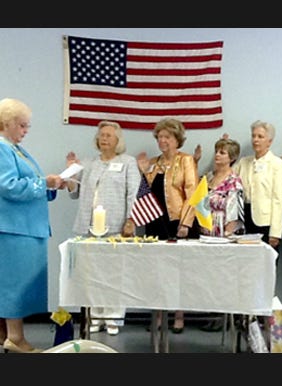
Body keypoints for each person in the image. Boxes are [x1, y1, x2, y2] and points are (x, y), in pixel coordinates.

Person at [0, 97, 64, 353]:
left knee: (17, 283)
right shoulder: (2, 149)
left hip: (26, 227)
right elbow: (9, 186)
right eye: (22, 125)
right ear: (7, 123)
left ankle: (6, 334)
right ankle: (16, 338)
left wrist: (53, 185)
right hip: (15, 228)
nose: (26, 131)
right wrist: (44, 183)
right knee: (16, 284)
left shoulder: (16, 150)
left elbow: (32, 183)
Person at [65, 120, 140, 336]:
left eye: (108, 135)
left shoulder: (127, 162)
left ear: (118, 140)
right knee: (91, 274)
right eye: (101, 135)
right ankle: (95, 316)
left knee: (114, 274)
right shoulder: (89, 164)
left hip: (116, 227)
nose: (104, 138)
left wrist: (130, 220)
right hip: (88, 228)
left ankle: (113, 317)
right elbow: (73, 192)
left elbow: (133, 193)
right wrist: (70, 173)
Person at [136, 117, 199, 334]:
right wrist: (143, 170)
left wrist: (186, 223)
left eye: (167, 137)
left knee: (179, 271)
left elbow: (193, 195)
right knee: (157, 271)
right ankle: (159, 314)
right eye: (160, 137)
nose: (162, 141)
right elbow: (148, 192)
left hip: (177, 223)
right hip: (155, 224)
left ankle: (179, 315)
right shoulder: (155, 162)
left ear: (177, 139)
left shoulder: (186, 161)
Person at [199, 137, 245, 332]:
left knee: (223, 276)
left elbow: (235, 211)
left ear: (231, 158)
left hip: (223, 233)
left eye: (222, 152)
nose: (217, 155)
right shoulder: (208, 177)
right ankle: (209, 314)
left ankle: (223, 317)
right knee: (208, 275)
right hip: (206, 231)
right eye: (217, 151)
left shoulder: (234, 181)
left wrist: (227, 234)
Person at [234, 120, 282, 250]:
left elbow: (278, 200)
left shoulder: (277, 164)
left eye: (260, 137)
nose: (255, 140)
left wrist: (275, 232)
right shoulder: (244, 162)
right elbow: (228, 179)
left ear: (269, 141)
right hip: (244, 219)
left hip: (265, 222)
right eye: (253, 136)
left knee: (266, 264)